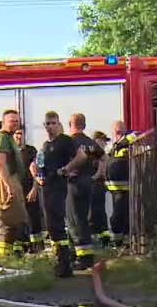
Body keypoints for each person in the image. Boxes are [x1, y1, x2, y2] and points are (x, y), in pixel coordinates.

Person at [35, 112, 85, 277]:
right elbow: (36, 164)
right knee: (51, 226)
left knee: (57, 224)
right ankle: (59, 261)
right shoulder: (45, 145)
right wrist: (37, 176)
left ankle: (64, 264)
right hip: (46, 187)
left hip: (58, 187)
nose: (50, 126)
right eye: (47, 123)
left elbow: (81, 156)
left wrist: (65, 169)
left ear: (59, 124)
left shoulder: (65, 140)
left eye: (53, 123)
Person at [105, 121, 156, 248]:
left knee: (121, 214)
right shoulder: (115, 145)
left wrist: (124, 139)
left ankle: (121, 240)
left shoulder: (128, 139)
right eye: (116, 132)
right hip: (115, 187)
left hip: (124, 186)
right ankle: (120, 241)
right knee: (119, 213)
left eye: (119, 132)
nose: (117, 135)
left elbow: (135, 135)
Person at [65, 113, 104, 269]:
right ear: (84, 125)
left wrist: (68, 170)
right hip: (88, 184)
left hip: (73, 185)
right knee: (82, 218)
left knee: (74, 220)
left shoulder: (69, 142)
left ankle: (84, 259)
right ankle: (77, 254)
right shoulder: (90, 143)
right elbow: (104, 158)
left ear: (70, 124)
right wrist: (98, 174)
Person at [0, 109, 29, 257]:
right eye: (12, 121)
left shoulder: (9, 138)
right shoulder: (1, 138)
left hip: (13, 180)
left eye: (17, 121)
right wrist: (8, 186)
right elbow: (0, 164)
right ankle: (5, 257)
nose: (15, 124)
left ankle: (14, 255)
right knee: (9, 221)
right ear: (3, 122)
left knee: (18, 219)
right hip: (6, 181)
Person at [14, 126, 45, 253]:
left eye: (20, 134)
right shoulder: (9, 152)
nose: (18, 136)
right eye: (16, 134)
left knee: (34, 218)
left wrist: (34, 189)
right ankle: (19, 249)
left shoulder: (31, 151)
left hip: (30, 189)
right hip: (16, 191)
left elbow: (37, 171)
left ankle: (37, 248)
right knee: (18, 219)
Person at [91, 131, 112, 250]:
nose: (105, 144)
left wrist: (91, 178)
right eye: (103, 141)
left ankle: (102, 239)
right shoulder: (94, 153)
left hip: (97, 185)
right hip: (95, 186)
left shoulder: (101, 155)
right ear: (97, 140)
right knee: (96, 212)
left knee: (97, 212)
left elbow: (101, 172)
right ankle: (101, 239)